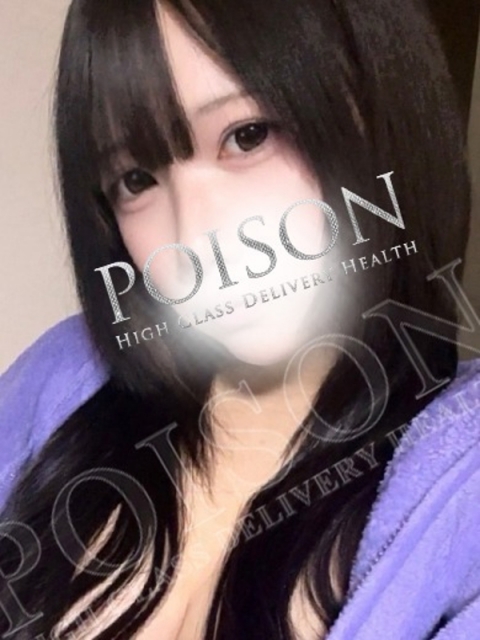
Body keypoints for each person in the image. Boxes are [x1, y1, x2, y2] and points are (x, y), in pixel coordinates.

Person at [0, 0, 479, 638]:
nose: (193, 239)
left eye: (247, 136)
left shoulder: (460, 483)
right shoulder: (58, 380)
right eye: (136, 179)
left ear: (376, 113)